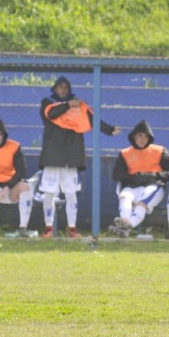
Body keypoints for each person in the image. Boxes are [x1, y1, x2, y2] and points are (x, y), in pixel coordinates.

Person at [39, 76, 120, 238]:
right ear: (54, 89)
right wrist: (68, 104)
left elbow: (92, 119)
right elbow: (53, 114)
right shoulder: (47, 103)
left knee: (71, 193)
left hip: (71, 155)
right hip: (53, 155)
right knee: (49, 193)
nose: (63, 90)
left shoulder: (78, 105)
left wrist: (110, 129)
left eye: (65, 87)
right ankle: (48, 228)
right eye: (60, 87)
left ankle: (72, 229)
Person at [109, 120, 169, 238]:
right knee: (124, 197)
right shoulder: (125, 153)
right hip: (132, 185)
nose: (142, 139)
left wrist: (152, 175)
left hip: (153, 186)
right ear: (134, 137)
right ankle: (125, 223)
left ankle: (126, 226)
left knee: (142, 203)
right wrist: (135, 177)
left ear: (150, 137)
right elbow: (117, 174)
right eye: (139, 136)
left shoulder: (160, 151)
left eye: (145, 136)